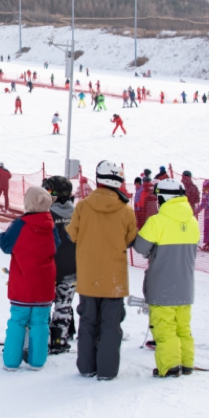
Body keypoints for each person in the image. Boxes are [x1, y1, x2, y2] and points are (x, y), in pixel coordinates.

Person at [67, 160, 137, 381]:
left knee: (87, 322)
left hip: (88, 276)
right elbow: (130, 239)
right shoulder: (126, 210)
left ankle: (86, 367)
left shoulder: (83, 206)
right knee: (110, 324)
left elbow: (73, 234)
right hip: (114, 278)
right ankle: (107, 370)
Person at [133, 179, 200, 378]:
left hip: (162, 286)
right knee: (183, 328)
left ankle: (170, 366)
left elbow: (140, 247)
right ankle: (187, 363)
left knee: (165, 330)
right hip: (185, 287)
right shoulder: (193, 221)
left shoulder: (157, 221)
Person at [0, 186, 59, 371]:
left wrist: (2, 235)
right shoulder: (50, 224)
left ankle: (11, 361)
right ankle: (37, 361)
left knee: (17, 320)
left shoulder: (20, 224)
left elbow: (6, 245)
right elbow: (55, 246)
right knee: (40, 322)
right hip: (44, 283)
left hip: (23, 282)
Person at [41, 175, 78, 355]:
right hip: (71, 268)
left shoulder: (46, 214)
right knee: (64, 305)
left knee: (45, 304)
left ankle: (44, 339)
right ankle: (59, 339)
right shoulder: (77, 214)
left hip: (49, 269)